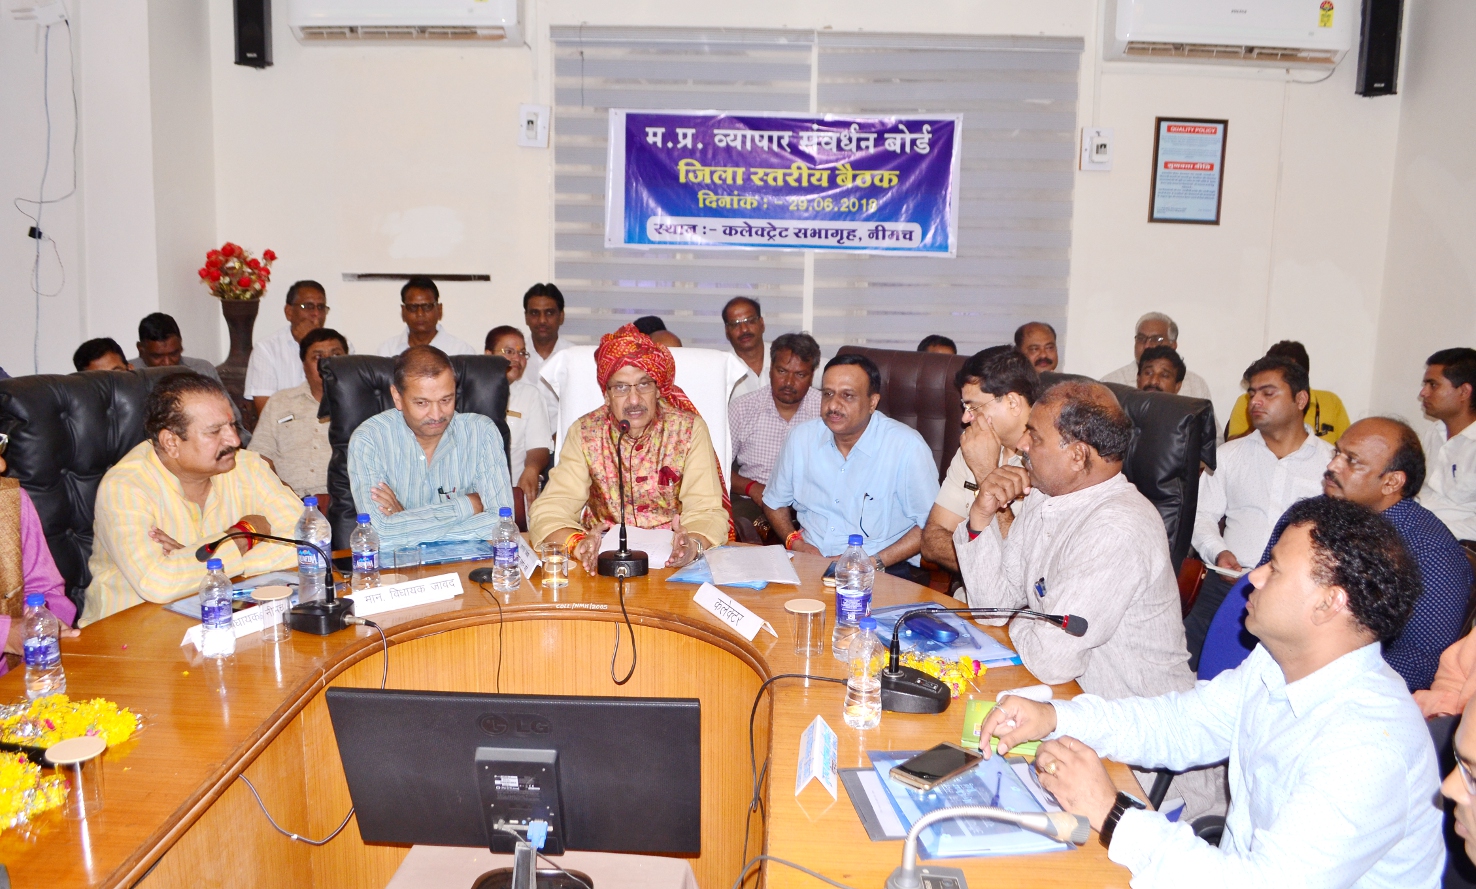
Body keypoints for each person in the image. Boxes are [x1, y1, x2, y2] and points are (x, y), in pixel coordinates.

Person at [980, 496, 1442, 887]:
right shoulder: (1276, 664)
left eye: (1276, 569)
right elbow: (1180, 723)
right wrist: (1057, 717)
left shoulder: (1368, 748)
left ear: (1328, 603)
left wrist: (1112, 812)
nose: (1254, 577)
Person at [952, 380, 1222, 819]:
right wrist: (981, 515)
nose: (1021, 445)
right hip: (1069, 717)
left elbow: (1051, 659)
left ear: (1078, 455)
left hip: (1138, 764)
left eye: (1035, 436)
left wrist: (1021, 615)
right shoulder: (1047, 496)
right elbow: (993, 607)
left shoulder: (1118, 528)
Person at [1204, 418, 1473, 693]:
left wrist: (1318, 685)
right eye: (1337, 453)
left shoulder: (1431, 552)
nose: (1332, 466)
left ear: (1391, 482)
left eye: (1352, 460)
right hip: (1264, 669)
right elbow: (1261, 593)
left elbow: (1420, 660)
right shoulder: (1307, 518)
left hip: (1353, 695)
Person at [84, 373, 301, 625]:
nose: (234, 440)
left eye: (232, 425)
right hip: (132, 633)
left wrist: (196, 563)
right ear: (171, 442)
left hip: (221, 623)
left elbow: (310, 543)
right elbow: (158, 583)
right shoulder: (125, 487)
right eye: (215, 431)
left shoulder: (248, 466)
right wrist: (243, 535)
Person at [529, 324, 730, 573]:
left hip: (672, 565)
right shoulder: (586, 432)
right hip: (602, 566)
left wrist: (692, 545)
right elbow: (549, 509)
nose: (634, 400)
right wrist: (579, 544)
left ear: (658, 389)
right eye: (621, 388)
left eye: (644, 384)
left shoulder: (687, 430)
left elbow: (707, 510)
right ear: (606, 394)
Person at [1186, 355, 1333, 666]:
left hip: (1300, 596)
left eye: (1268, 393)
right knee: (1190, 663)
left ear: (1300, 400)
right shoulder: (1229, 455)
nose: (1255, 401)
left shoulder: (1329, 463)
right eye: (1252, 393)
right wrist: (1218, 552)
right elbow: (1201, 515)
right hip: (1229, 585)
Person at [763, 354, 938, 575]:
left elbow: (932, 524)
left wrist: (872, 562)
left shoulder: (906, 447)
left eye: (847, 396)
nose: (833, 405)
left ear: (872, 402)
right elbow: (774, 502)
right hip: (809, 563)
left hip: (880, 569)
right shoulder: (801, 438)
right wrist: (795, 542)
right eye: (828, 394)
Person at [348, 346, 513, 551]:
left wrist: (404, 521)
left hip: (467, 564)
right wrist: (469, 505)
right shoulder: (369, 439)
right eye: (422, 403)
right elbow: (378, 535)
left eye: (446, 400)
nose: (436, 415)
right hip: (400, 567)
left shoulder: (481, 433)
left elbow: (502, 524)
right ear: (397, 397)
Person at [921, 346, 1038, 574]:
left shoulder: (1051, 460)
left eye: (974, 407)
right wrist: (989, 564)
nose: (966, 418)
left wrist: (986, 472)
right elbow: (931, 541)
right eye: (965, 407)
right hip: (968, 593)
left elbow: (1022, 566)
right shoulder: (973, 446)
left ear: (1013, 403)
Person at [728, 333, 823, 524]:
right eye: (782, 371)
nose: (788, 382)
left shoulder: (825, 410)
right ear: (770, 369)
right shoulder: (742, 408)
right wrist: (752, 488)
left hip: (813, 503)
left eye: (800, 375)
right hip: (754, 500)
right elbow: (715, 468)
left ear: (812, 376)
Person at [0, 451, 79, 672]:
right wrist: (6, 633)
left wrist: (41, 622)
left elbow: (44, 589)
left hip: (18, 677)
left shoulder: (8, 502)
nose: (2, 465)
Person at [247, 328, 348, 500]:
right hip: (283, 498)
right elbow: (259, 455)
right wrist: (282, 493)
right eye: (318, 357)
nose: (327, 363)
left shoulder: (360, 404)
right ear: (304, 365)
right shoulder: (280, 401)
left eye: (336, 355)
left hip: (342, 501)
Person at [1224, 341, 1350, 444]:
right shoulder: (1248, 401)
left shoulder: (1331, 402)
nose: (1255, 400)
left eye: (1269, 393)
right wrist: (1259, 424)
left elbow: (1348, 448)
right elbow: (1232, 448)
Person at [484, 325, 553, 506]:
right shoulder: (466, 392)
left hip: (515, 495)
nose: (517, 358)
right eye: (509, 351)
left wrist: (532, 468)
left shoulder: (530, 395)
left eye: (522, 353)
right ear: (488, 355)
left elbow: (539, 446)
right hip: (474, 496)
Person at [244, 280, 335, 414]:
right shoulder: (266, 350)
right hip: (286, 425)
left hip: (330, 424)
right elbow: (266, 412)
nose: (316, 313)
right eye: (308, 306)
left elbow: (344, 398)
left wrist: (310, 343)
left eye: (321, 307)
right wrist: (308, 345)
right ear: (289, 312)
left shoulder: (339, 347)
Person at [1418, 347, 1476, 544]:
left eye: (1433, 385)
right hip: (1418, 531)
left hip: (1455, 544)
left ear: (1464, 391)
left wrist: (1429, 531)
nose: (1423, 393)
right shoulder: (1434, 432)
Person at [1100, 312, 1211, 400]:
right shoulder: (1111, 384)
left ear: (1173, 345)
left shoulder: (1195, 385)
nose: (1147, 345)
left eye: (1156, 339)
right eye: (1141, 338)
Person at [376, 277, 477, 358]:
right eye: (413, 307)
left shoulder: (461, 352)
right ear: (403, 312)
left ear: (439, 310)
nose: (420, 313)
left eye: (427, 306)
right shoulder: (387, 351)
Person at [521, 283, 570, 415]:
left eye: (549, 313)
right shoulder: (515, 358)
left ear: (561, 316)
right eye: (535, 313)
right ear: (526, 318)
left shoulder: (573, 357)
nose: (542, 320)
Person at [130, 313, 223, 381]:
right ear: (141, 349)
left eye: (174, 354)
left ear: (180, 345)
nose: (167, 363)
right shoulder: (128, 376)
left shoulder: (202, 370)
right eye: (157, 356)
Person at [723, 297, 769, 401]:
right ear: (727, 332)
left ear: (762, 324)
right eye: (735, 324)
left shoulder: (784, 360)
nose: (744, 329)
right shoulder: (722, 371)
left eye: (750, 321)